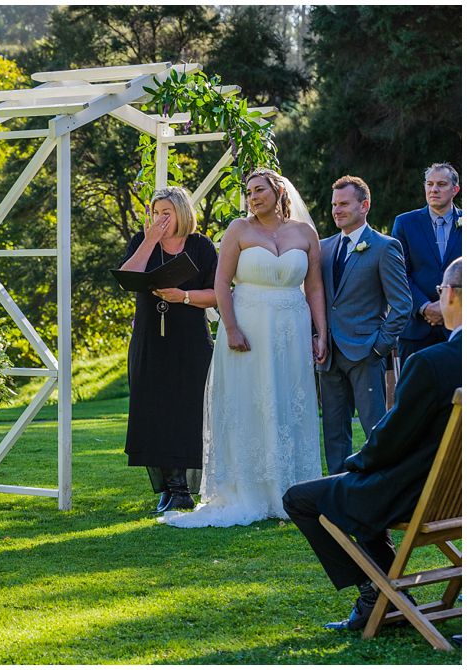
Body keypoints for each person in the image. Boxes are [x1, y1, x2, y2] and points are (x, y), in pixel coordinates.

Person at [283, 257, 462, 632]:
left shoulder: (432, 363)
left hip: (418, 494)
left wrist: (357, 460)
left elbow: (391, 439)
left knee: (301, 498)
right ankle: (386, 599)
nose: (440, 296)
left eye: (441, 290)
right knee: (357, 489)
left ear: (455, 297)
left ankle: (374, 594)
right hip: (455, 495)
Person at [162, 169, 326, 528]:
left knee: (288, 402)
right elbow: (221, 282)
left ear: (278, 190)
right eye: (249, 192)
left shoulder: (305, 233)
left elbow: (313, 287)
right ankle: (251, 490)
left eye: (259, 190)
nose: (253, 197)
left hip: (291, 331)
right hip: (248, 329)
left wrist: (321, 332)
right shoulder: (238, 229)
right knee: (251, 403)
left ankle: (292, 491)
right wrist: (231, 327)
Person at [120, 186, 218, 512]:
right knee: (153, 410)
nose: (160, 218)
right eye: (155, 212)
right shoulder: (141, 241)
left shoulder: (200, 246)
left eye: (166, 212)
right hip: (150, 338)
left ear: (181, 212)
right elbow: (127, 278)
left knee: (187, 410)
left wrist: (183, 296)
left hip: (190, 340)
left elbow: (218, 294)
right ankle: (171, 487)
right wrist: (149, 240)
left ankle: (183, 488)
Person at [317, 176, 412, 475]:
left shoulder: (385, 247)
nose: (336, 210)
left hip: (366, 353)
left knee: (374, 430)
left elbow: (403, 305)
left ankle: (377, 490)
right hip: (328, 354)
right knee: (333, 432)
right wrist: (315, 336)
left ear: (365, 205)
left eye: (344, 204)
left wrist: (378, 346)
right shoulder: (323, 248)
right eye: (334, 204)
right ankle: (337, 491)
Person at [392, 163, 461, 362]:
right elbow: (399, 274)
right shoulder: (405, 223)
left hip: (458, 328)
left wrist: (449, 307)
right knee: (415, 392)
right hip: (417, 329)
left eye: (441, 184)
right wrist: (424, 307)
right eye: (429, 184)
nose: (434, 189)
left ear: (455, 189)